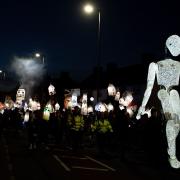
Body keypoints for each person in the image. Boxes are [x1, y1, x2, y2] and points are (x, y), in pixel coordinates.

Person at [136, 35, 180, 168]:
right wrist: (142, 107)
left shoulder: (179, 65)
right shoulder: (155, 65)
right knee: (171, 119)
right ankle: (172, 154)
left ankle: (170, 145)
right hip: (162, 93)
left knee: (177, 123)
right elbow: (149, 87)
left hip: (174, 93)